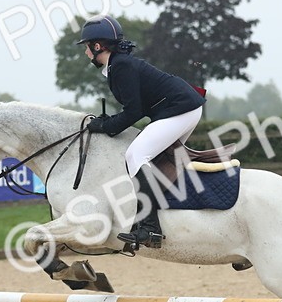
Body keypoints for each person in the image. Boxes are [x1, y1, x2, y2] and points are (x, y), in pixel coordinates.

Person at [78, 15, 205, 250]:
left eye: (87, 47)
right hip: (184, 107)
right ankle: (164, 220)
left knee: (135, 155)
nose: (86, 53)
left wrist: (106, 126)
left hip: (180, 109)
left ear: (97, 46)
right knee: (158, 162)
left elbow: (134, 111)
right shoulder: (119, 65)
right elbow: (135, 108)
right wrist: (110, 122)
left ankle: (150, 228)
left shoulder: (121, 66)